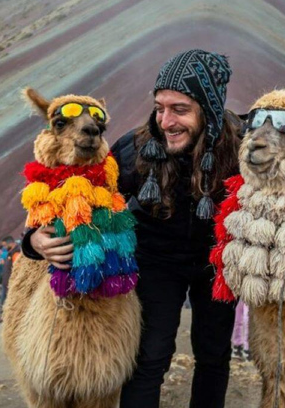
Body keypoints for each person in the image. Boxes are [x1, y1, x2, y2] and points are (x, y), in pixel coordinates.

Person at [24, 49, 241, 408]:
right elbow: (81, 191)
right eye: (160, 107)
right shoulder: (134, 149)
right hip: (157, 263)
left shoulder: (242, 148)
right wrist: (33, 240)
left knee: (214, 353)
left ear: (210, 108)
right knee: (151, 356)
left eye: (180, 109)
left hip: (217, 262)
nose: (166, 120)